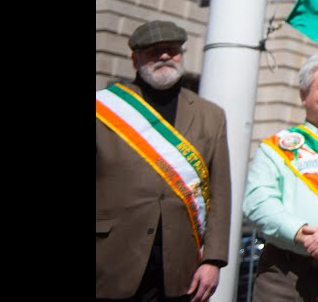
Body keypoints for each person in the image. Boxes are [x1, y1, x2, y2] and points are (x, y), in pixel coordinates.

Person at [96, 19, 230, 302]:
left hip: (181, 267)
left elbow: (220, 194)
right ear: (135, 58)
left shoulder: (211, 115)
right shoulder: (104, 108)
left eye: (172, 49)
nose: (165, 56)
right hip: (110, 259)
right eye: (153, 51)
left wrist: (213, 260)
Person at [242, 52, 318, 302]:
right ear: (303, 94)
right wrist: (307, 236)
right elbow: (257, 201)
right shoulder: (275, 146)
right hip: (282, 273)